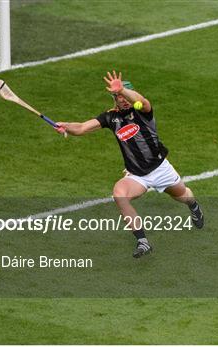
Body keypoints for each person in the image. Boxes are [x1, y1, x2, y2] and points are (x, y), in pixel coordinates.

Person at [55, 70, 204, 258]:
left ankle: (194, 206)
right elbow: (83, 127)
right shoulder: (110, 117)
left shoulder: (142, 111)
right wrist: (66, 125)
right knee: (119, 194)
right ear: (114, 99)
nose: (123, 99)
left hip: (160, 168)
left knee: (183, 196)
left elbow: (143, 100)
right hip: (136, 175)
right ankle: (142, 241)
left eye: (125, 94)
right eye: (118, 96)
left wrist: (123, 90)